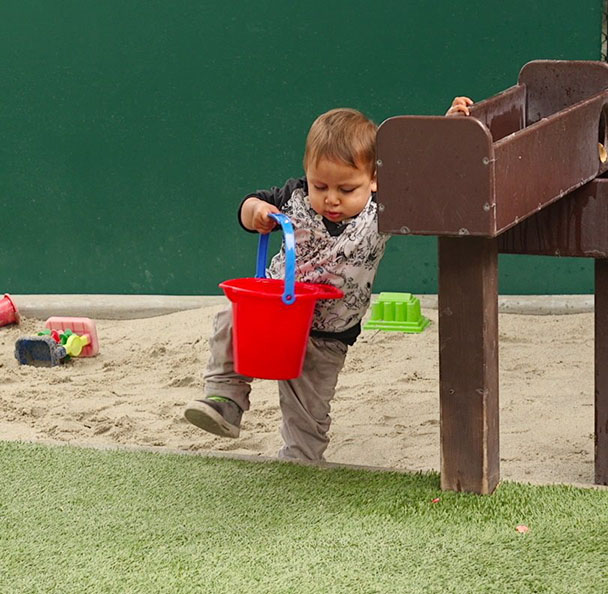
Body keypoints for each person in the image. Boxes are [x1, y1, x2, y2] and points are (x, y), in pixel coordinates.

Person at [185, 99, 471, 462]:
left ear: (374, 181)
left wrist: (448, 128)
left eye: (346, 189)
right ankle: (225, 399)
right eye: (320, 185)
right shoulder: (296, 197)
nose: (331, 199)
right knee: (230, 319)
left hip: (327, 331)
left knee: (308, 406)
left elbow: (422, 170)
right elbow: (251, 203)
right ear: (307, 173)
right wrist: (256, 212)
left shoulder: (383, 207)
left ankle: (301, 459)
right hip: (275, 310)